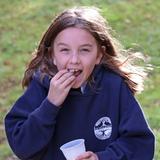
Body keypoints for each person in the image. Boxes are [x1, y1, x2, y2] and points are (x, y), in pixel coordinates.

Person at [5, 6, 155, 160]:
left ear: (99, 55)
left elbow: (141, 144)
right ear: (52, 55)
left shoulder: (113, 86)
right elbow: (22, 147)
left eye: (84, 50)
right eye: (65, 50)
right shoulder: (41, 87)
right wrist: (50, 105)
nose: (74, 59)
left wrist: (101, 158)